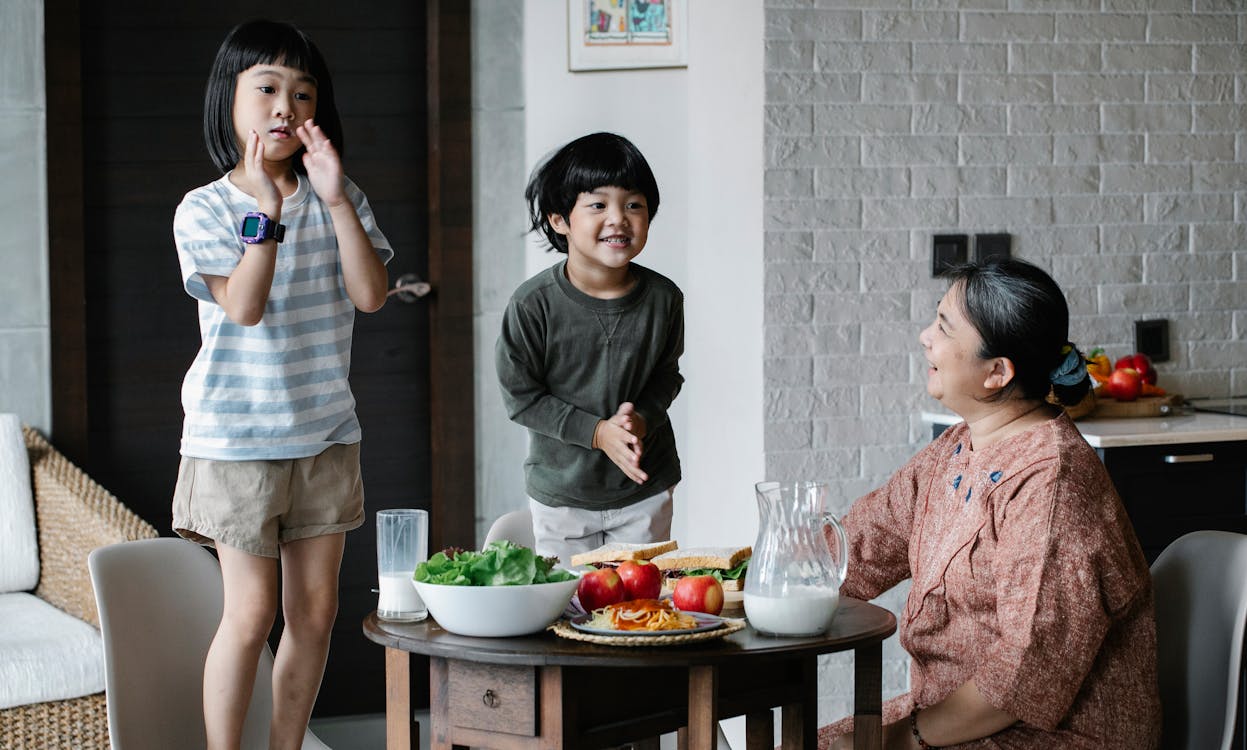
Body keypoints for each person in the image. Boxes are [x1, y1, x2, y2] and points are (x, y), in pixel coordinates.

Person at [823, 259, 1160, 749]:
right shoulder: (958, 449)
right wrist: (742, 584)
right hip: (956, 721)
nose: (924, 337)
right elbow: (862, 545)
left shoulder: (1053, 484)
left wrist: (903, 738)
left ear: (997, 372)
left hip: (1051, 736)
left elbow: (1023, 676)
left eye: (942, 327)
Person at [171, 19, 391, 750]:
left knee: (317, 615)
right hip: (236, 439)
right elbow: (245, 304)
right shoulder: (204, 208)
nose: (285, 106)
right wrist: (264, 210)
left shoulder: (339, 194)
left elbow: (370, 294)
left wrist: (330, 200)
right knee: (250, 614)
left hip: (325, 433)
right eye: (265, 87)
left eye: (302, 93)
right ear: (227, 101)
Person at [496, 132, 684, 568]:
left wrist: (640, 418)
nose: (618, 218)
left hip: (644, 487)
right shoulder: (532, 304)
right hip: (562, 494)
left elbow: (666, 376)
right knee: (568, 612)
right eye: (598, 205)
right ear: (559, 219)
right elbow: (522, 399)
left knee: (637, 613)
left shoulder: (665, 298)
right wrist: (598, 433)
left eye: (633, 204)